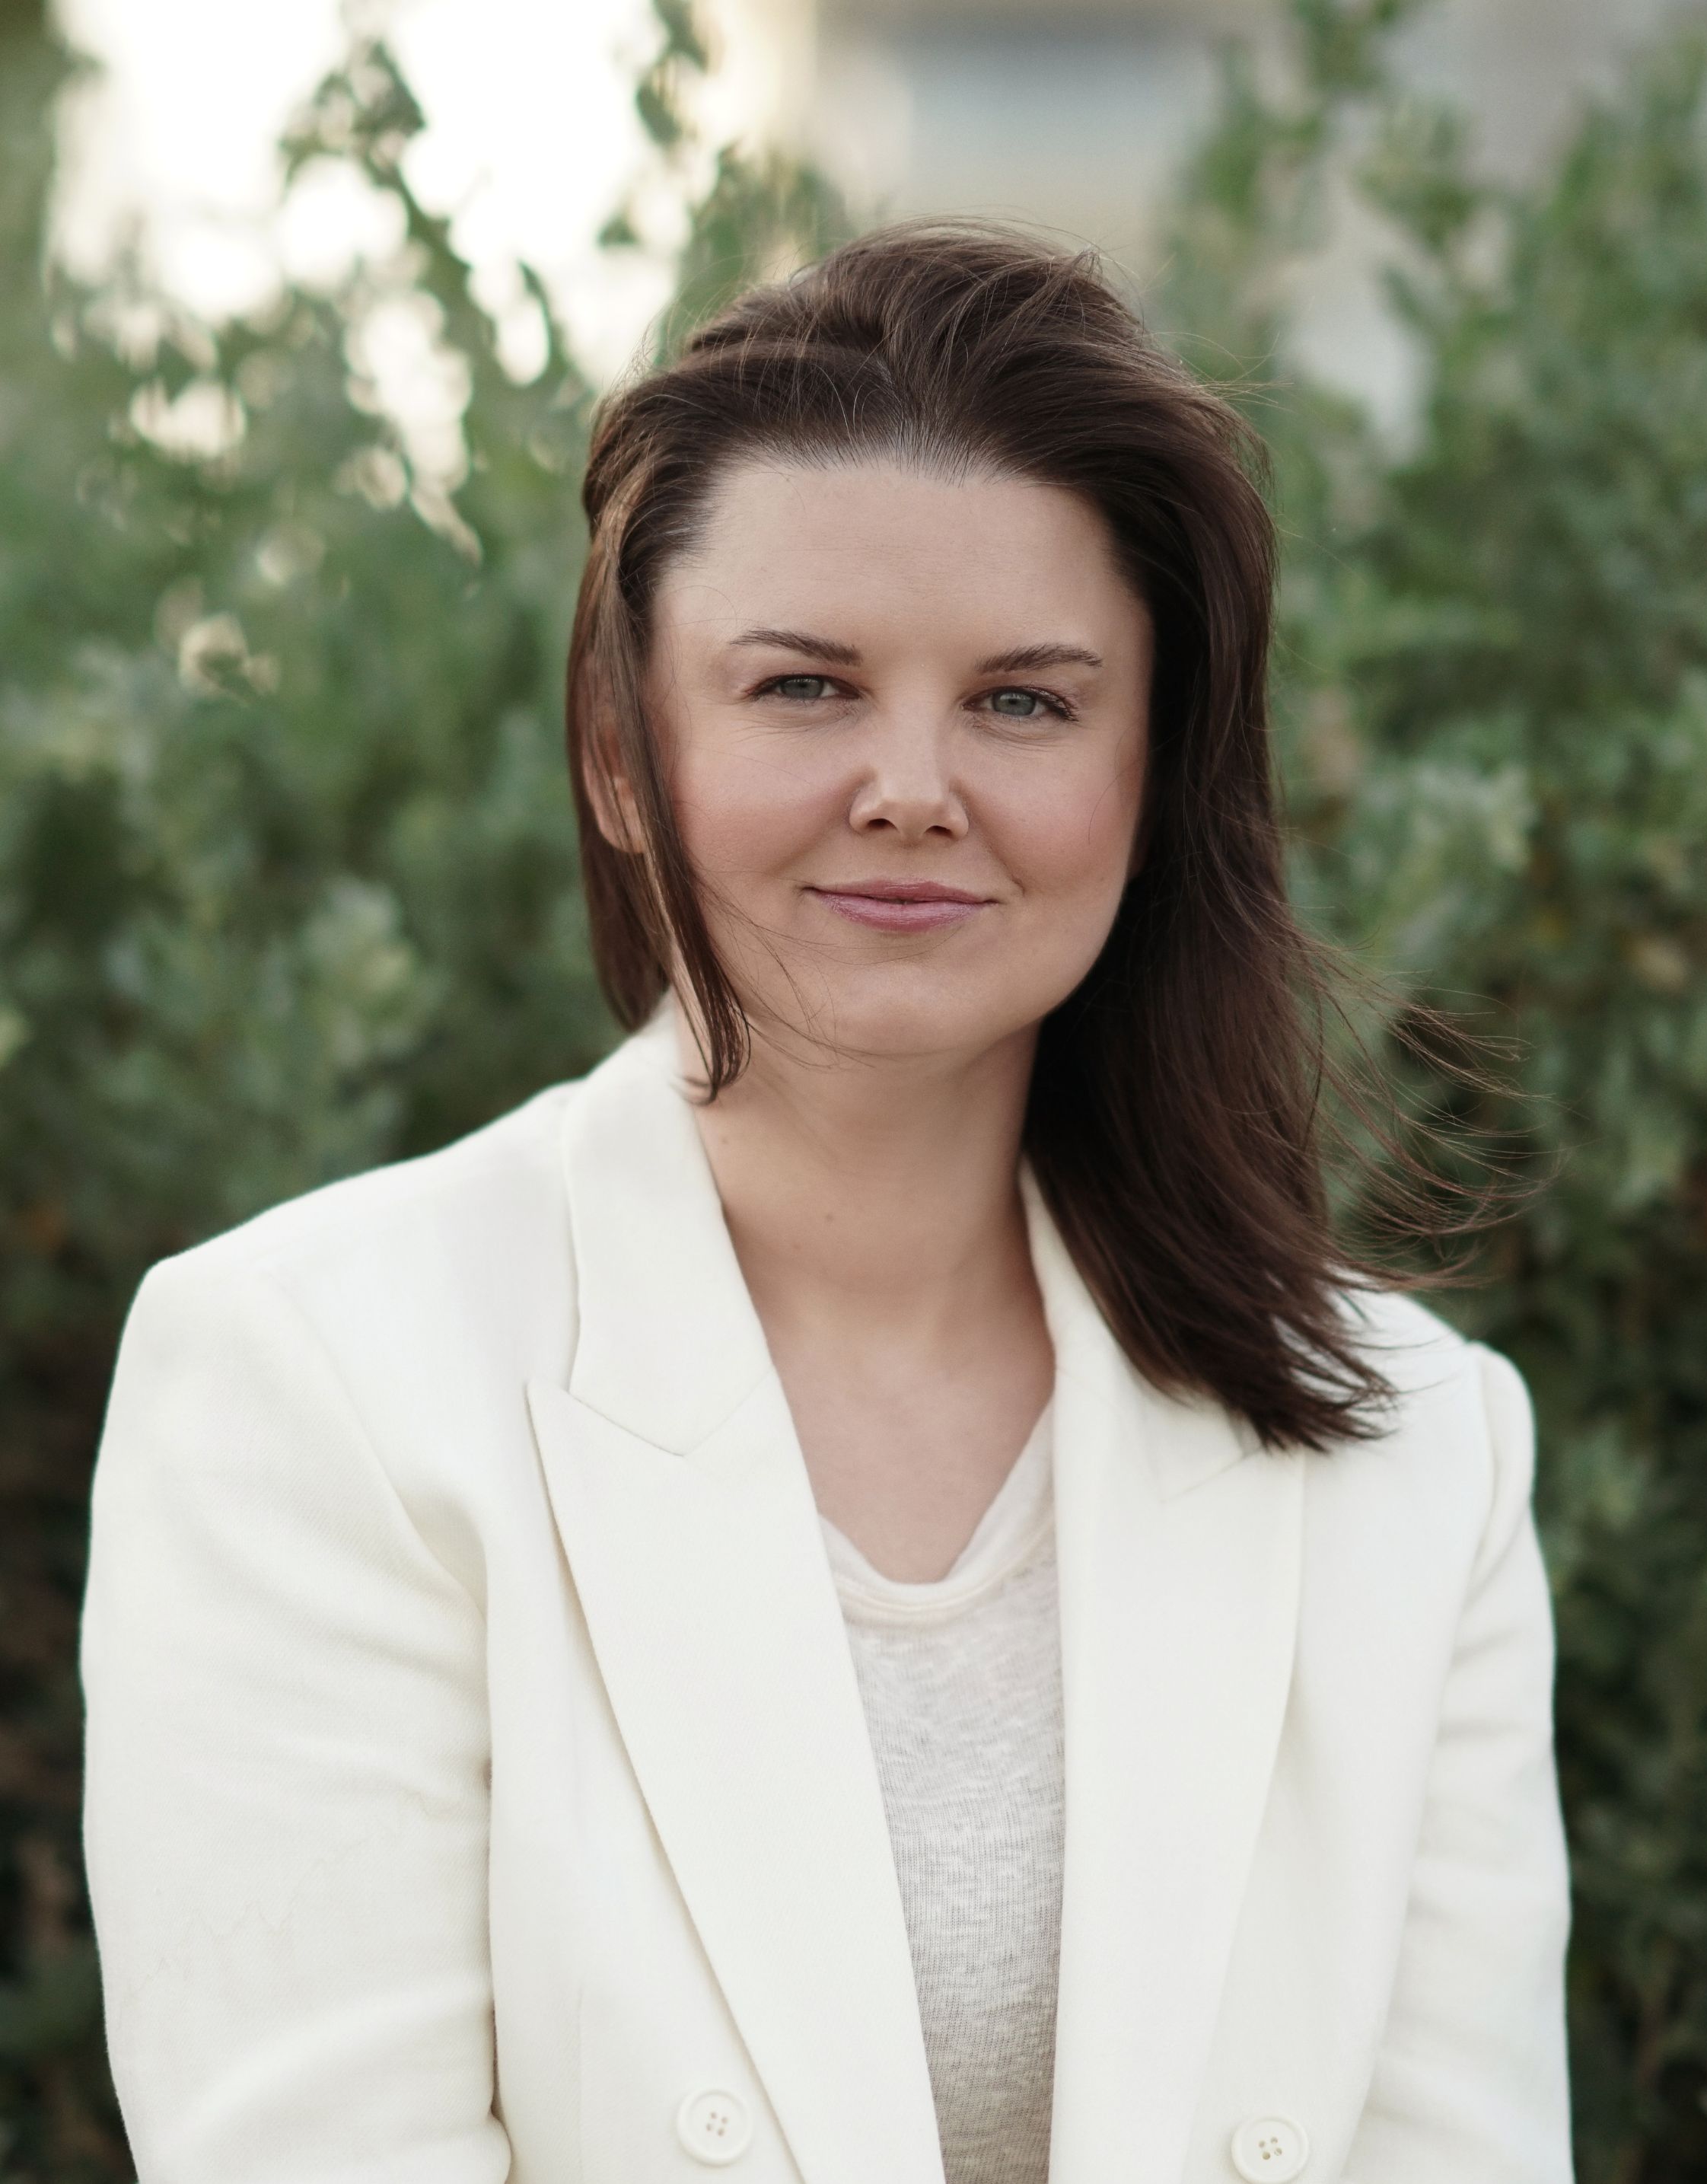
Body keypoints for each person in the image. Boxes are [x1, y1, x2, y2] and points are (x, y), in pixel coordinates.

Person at [81, 221, 1573, 2184]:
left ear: (1154, 775)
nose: (911, 787)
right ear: (623, 752)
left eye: (1026, 703)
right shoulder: (317, 1384)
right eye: (803, 687)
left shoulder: (1415, 1449)